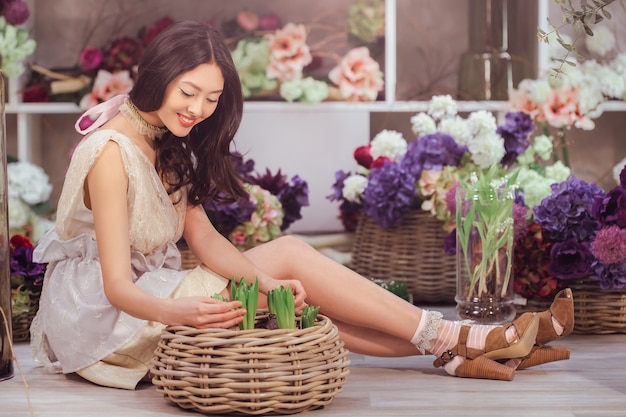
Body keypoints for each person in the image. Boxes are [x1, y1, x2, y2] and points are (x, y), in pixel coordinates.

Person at [31, 20, 574, 390]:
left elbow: (202, 237)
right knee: (291, 255)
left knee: (293, 307)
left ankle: (473, 352)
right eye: (189, 92)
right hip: (109, 321)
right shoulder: (111, 153)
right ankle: (469, 337)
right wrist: (181, 309)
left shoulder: (165, 138)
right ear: (159, 76)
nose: (199, 109)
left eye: (213, 100)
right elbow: (115, 288)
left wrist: (262, 284)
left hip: (150, 294)